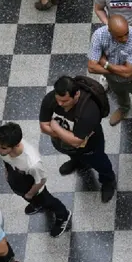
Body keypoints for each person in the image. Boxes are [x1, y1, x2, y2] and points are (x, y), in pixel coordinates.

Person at [39, 75, 117, 203]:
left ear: (76, 95)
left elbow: (77, 141)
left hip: (91, 146)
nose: (59, 104)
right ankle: (78, 162)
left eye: (64, 101)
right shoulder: (52, 98)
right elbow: (43, 127)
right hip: (67, 145)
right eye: (58, 100)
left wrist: (56, 127)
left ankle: (108, 180)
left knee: (100, 162)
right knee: (74, 154)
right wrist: (67, 136)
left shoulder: (89, 111)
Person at [0, 122, 72, 238]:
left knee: (48, 201)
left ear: (15, 145)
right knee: (34, 201)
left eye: (3, 148)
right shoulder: (5, 147)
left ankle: (64, 215)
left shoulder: (32, 163)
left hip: (33, 189)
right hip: (20, 185)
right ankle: (37, 204)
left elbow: (41, 180)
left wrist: (30, 194)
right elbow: (6, 160)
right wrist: (7, 173)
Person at [87, 15, 132, 126]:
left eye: (126, 33)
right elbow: (91, 67)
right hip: (113, 80)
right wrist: (121, 71)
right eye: (119, 36)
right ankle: (124, 108)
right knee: (120, 96)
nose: (125, 39)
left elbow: (128, 72)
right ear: (109, 31)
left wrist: (105, 63)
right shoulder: (99, 35)